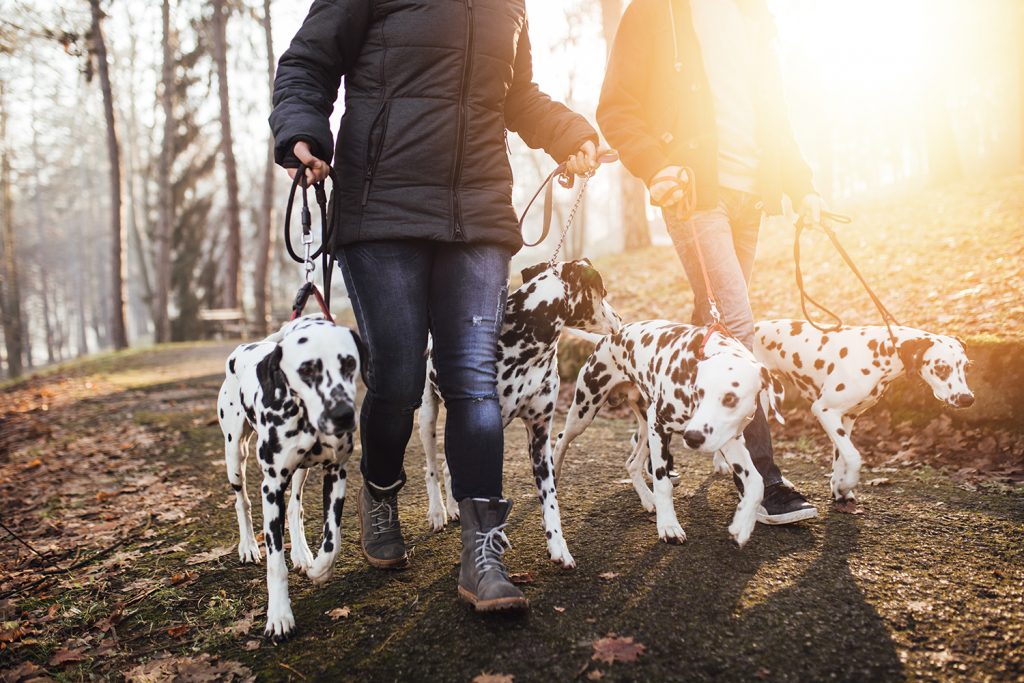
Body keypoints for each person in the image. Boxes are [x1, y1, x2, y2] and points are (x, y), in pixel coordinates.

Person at [269, 1, 600, 611]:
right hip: (381, 208)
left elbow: (517, 94)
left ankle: (483, 552)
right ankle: (382, 488)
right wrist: (302, 133)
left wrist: (566, 132)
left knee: (473, 376)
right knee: (396, 373)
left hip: (477, 212)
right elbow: (307, 63)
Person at [598, 0, 819, 524]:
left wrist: (801, 184)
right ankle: (762, 478)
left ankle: (703, 438)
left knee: (714, 320)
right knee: (738, 329)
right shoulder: (656, 12)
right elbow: (616, 107)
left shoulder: (751, 14)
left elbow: (773, 112)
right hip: (697, 196)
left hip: (750, 196)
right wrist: (657, 165)